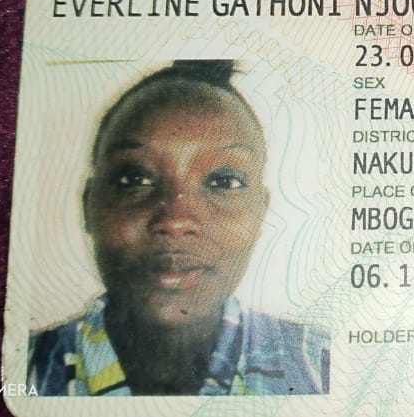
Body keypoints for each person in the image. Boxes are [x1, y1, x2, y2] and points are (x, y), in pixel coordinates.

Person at [27, 60, 330, 396]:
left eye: (223, 181)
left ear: (260, 211)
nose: (175, 221)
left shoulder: (328, 369)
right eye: (134, 179)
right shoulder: (16, 372)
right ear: (88, 205)